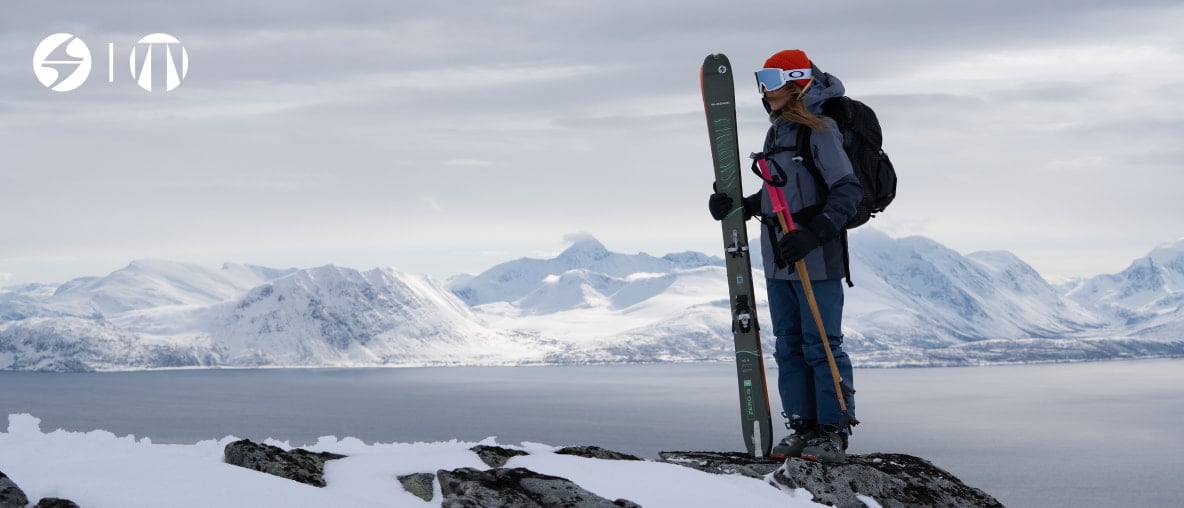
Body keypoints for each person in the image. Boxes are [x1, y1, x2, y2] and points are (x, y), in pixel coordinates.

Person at [708, 49, 861, 463]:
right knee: (788, 346)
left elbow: (848, 192)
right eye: (761, 78)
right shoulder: (777, 133)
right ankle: (803, 426)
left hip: (818, 258)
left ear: (797, 82)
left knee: (822, 344)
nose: (764, 89)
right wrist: (738, 204)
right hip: (779, 259)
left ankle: (832, 431)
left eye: (772, 79)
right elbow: (780, 194)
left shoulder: (821, 130)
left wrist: (813, 235)